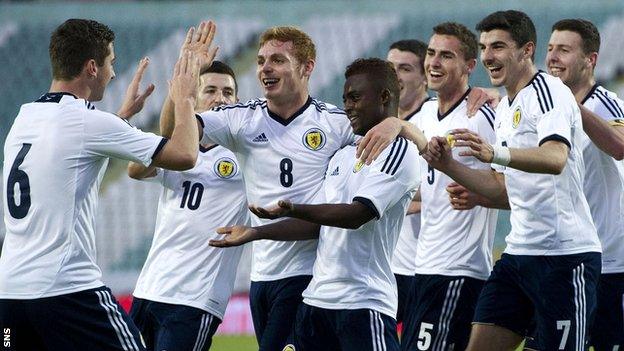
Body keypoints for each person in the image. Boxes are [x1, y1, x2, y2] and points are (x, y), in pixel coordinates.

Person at [160, 22, 419, 350]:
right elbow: (173, 130)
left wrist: (397, 123)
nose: (265, 68)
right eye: (260, 60)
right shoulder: (241, 119)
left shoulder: (335, 123)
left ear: (307, 67)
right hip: (262, 275)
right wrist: (182, 87)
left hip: (307, 276)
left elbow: (409, 140)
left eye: (278, 60)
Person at [0, 18, 201, 351]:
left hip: (10, 293)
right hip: (66, 291)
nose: (112, 73)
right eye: (111, 63)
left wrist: (119, 119)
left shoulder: (25, 118)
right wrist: (186, 97)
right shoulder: (88, 122)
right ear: (92, 67)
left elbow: (70, 151)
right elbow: (185, 155)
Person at [423, 10, 601, 350]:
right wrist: (449, 166)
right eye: (484, 46)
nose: (488, 56)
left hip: (564, 257)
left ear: (526, 50)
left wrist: (494, 154)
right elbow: (501, 187)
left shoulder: (549, 91)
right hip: (518, 254)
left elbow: (555, 158)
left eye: (498, 46)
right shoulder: (504, 107)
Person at [127, 60, 247, 351]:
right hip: (149, 290)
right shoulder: (178, 150)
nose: (220, 98)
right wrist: (178, 100)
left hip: (195, 298)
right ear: (193, 98)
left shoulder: (245, 155)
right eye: (211, 90)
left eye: (228, 92)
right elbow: (135, 169)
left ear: (238, 101)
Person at [399, 22, 498, 351]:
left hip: (459, 269)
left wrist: (480, 195)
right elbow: (419, 184)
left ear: (470, 66)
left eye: (446, 55)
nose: (434, 62)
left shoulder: (483, 115)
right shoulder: (424, 115)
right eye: (431, 53)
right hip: (423, 267)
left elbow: (517, 184)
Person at [542, 18, 624, 351]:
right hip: (560, 257)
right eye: (550, 49)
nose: (553, 57)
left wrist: (572, 107)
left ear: (590, 60)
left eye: (564, 49)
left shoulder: (606, 102)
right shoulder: (544, 108)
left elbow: (619, 144)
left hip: (609, 262)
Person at [386, 39, 430, 325]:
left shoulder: (436, 119)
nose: (396, 75)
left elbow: (446, 188)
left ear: (425, 76)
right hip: (388, 267)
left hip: (424, 266)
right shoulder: (379, 125)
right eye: (390, 67)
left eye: (405, 68)